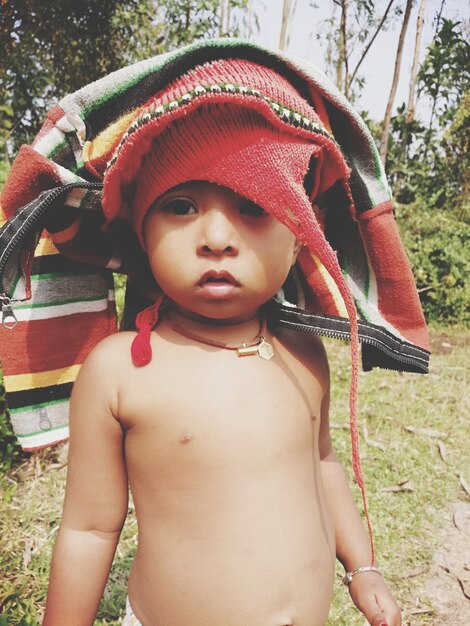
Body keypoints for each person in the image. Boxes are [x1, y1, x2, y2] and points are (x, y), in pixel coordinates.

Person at [40, 55, 404, 626]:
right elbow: (89, 529)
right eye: (180, 206)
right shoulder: (120, 372)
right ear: (142, 228)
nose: (215, 237)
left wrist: (363, 567)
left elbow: (322, 463)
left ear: (300, 239)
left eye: (254, 206)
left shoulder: (303, 354)